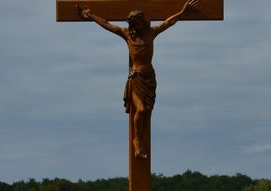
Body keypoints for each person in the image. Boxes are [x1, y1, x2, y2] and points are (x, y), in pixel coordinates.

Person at [78, 0, 199, 159]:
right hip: (136, 78)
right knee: (141, 109)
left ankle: (141, 140)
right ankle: (137, 140)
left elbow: (168, 22)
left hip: (149, 78)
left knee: (147, 111)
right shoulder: (127, 35)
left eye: (142, 22)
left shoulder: (151, 33)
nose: (141, 26)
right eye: (138, 24)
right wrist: (91, 15)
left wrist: (183, 13)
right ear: (134, 25)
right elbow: (107, 25)